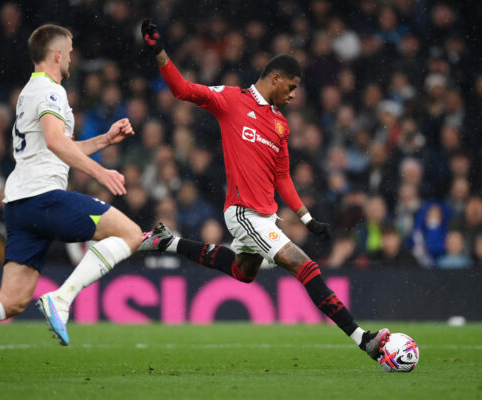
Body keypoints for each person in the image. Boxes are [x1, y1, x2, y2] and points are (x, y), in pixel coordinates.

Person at [139, 19, 389, 363]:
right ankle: (364, 339)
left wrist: (307, 217)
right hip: (242, 210)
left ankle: (169, 242)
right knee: (306, 266)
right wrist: (159, 52)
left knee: (244, 271)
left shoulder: (280, 125)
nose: (294, 95)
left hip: (266, 212)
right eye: (292, 87)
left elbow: (282, 177)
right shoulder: (229, 100)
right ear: (276, 78)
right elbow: (182, 89)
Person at [0, 24, 142, 381]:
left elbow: (57, 147)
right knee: (130, 234)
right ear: (56, 54)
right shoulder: (51, 91)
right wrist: (101, 173)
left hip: (20, 205)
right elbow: (55, 142)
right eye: (68, 51)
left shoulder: (31, 91)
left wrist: (104, 140)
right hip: (43, 197)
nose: (71, 57)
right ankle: (62, 299)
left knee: (13, 300)